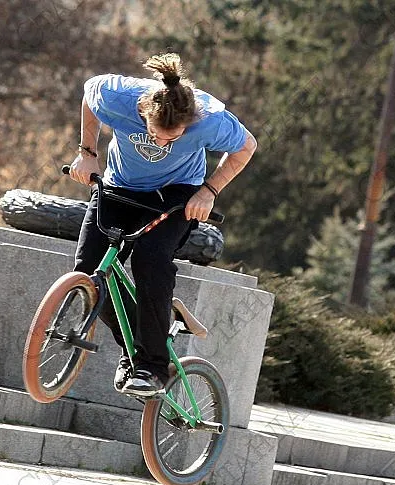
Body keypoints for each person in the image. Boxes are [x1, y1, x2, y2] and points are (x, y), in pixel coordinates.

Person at [68, 53, 257, 397]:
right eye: (156, 134)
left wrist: (209, 191)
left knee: (150, 259)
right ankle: (135, 348)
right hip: (119, 186)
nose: (162, 143)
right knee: (88, 272)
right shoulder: (117, 97)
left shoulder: (210, 120)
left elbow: (247, 146)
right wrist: (87, 153)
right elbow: (88, 96)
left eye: (173, 138)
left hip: (176, 194)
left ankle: (152, 367)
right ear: (144, 113)